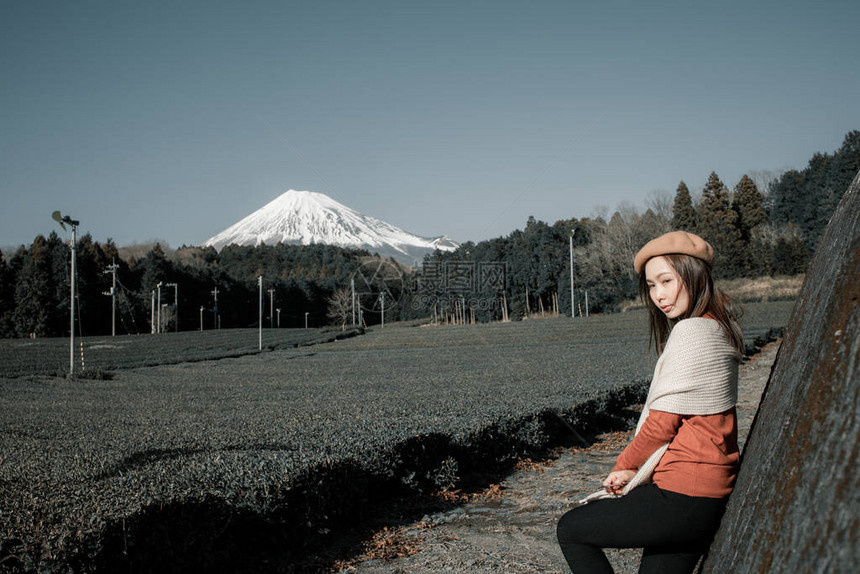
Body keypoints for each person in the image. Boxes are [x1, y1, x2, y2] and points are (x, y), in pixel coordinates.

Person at [556, 231, 745, 574]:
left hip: (683, 495)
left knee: (571, 530)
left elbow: (661, 425)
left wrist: (624, 465)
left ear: (693, 275)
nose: (659, 295)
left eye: (666, 281)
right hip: (708, 494)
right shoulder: (718, 327)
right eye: (651, 286)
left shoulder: (691, 334)